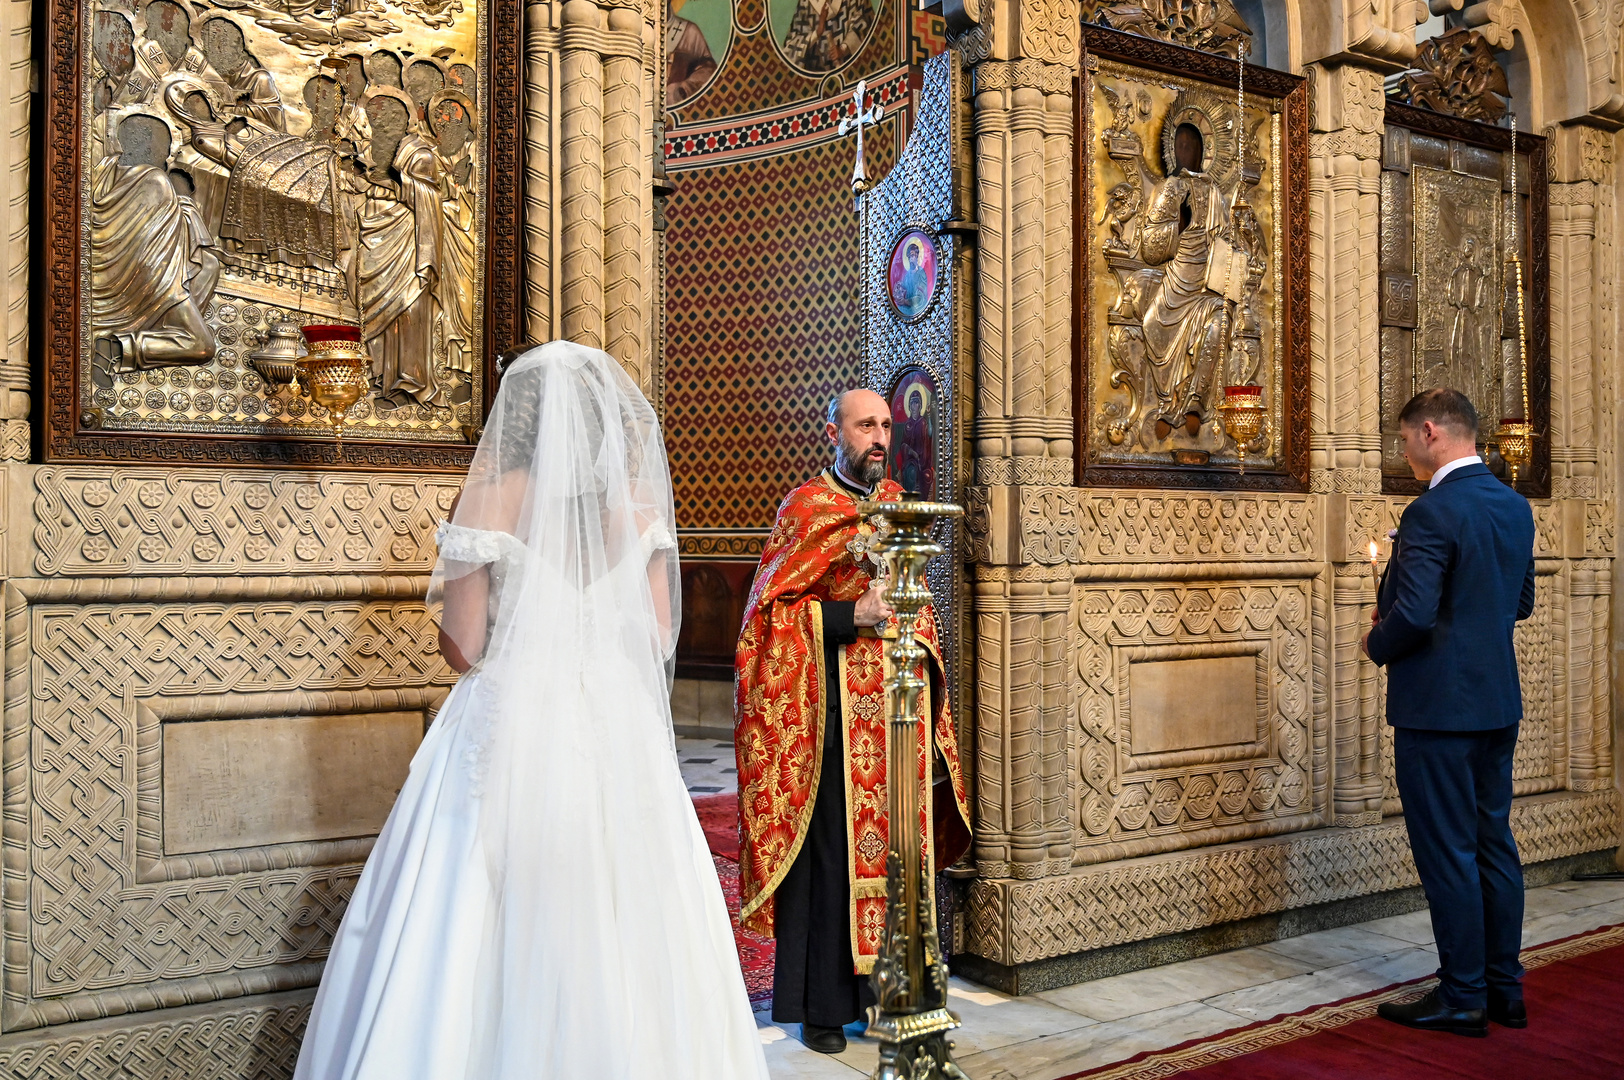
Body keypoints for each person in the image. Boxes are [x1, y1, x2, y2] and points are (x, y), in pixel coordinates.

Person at [294, 342, 769, 1080]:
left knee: (475, 904)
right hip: (615, 716)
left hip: (510, 711)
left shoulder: (487, 498)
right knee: (630, 900)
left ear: (516, 416)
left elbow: (463, 646)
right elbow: (654, 635)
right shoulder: (640, 505)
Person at [734, 388, 971, 1055]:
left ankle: (892, 995)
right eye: (865, 424)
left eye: (886, 426)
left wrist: (911, 636)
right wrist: (849, 616)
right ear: (832, 431)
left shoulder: (899, 506)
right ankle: (822, 1010)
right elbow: (765, 623)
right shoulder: (804, 510)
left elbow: (917, 606)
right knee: (830, 860)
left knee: (898, 856)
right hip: (827, 716)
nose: (878, 436)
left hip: (894, 716)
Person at [1362, 387, 1536, 1039]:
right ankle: (1504, 991)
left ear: (1431, 431)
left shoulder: (1431, 511)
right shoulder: (1513, 507)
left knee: (1448, 854)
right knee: (1493, 845)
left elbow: (1413, 614)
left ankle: (1462, 997)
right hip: (1496, 703)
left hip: (1438, 709)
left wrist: (1375, 640)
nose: (1404, 451)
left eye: (1405, 439)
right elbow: (1520, 601)